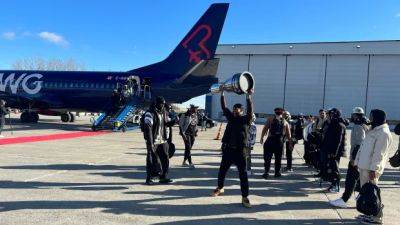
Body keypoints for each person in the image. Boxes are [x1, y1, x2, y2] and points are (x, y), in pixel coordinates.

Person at [211, 88, 253, 208]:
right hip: (229, 150)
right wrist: (222, 93)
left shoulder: (246, 119)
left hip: (241, 151)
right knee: (222, 171)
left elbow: (250, 110)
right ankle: (220, 188)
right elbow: (224, 108)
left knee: (243, 175)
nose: (235, 109)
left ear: (242, 110)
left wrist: (249, 97)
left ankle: (245, 197)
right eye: (234, 108)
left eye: (237, 108)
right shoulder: (231, 118)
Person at [354, 109, 393, 224]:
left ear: (377, 118)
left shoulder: (384, 133)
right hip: (365, 167)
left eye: (371, 117)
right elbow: (364, 148)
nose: (370, 119)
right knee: (367, 194)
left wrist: (374, 169)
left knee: (373, 193)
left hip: (371, 169)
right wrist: (357, 161)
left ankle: (377, 217)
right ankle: (369, 214)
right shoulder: (374, 130)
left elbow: (379, 154)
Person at [330, 107, 369, 208]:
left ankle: (344, 199)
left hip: (356, 158)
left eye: (353, 115)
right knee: (360, 179)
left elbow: (359, 144)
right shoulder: (364, 125)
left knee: (350, 180)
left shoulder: (358, 126)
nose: (352, 116)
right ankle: (361, 197)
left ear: (356, 115)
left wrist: (354, 159)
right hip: (362, 157)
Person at [142, 96, 175, 185]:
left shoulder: (164, 112)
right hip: (153, 140)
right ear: (157, 104)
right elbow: (148, 128)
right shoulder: (150, 113)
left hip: (163, 140)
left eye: (164, 104)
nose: (163, 105)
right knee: (151, 160)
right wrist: (150, 143)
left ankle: (163, 177)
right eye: (161, 104)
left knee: (165, 159)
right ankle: (149, 179)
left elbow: (166, 124)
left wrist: (174, 121)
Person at [320, 108, 347, 193]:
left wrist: (334, 152)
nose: (328, 116)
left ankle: (336, 186)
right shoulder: (333, 123)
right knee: (331, 168)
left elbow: (338, 141)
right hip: (330, 150)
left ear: (334, 115)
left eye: (330, 114)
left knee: (335, 169)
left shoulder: (339, 125)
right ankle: (333, 185)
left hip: (335, 152)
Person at [260, 107, 291, 179]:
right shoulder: (285, 122)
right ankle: (277, 173)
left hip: (270, 140)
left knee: (267, 158)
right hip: (279, 142)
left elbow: (265, 128)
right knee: (278, 159)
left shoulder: (270, 119)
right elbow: (289, 135)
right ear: (282, 113)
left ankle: (266, 172)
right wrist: (290, 144)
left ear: (275, 112)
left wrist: (261, 138)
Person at [179, 104, 198, 169]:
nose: (196, 110)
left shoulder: (195, 115)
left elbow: (195, 124)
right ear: (191, 109)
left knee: (188, 148)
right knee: (188, 146)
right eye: (195, 108)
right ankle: (190, 163)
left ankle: (184, 161)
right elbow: (180, 125)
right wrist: (182, 134)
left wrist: (196, 132)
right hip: (186, 133)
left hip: (192, 133)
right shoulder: (185, 115)